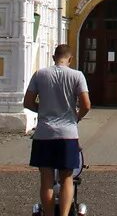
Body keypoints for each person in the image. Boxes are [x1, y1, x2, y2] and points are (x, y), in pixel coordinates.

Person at [24, 43, 91, 216]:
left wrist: (44, 109)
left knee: (46, 178)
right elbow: (86, 104)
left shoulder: (40, 74)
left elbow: (28, 102)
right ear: (70, 59)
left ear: (53, 57)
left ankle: (47, 214)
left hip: (44, 133)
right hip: (68, 133)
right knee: (67, 178)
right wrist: (76, 117)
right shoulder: (77, 75)